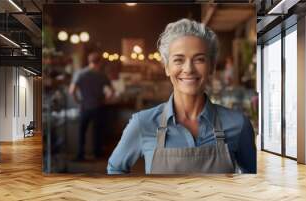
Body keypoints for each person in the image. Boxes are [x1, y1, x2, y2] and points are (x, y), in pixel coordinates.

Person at [107, 19, 256, 174]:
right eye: (178, 60)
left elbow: (253, 184)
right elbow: (115, 169)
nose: (188, 69)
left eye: (199, 59)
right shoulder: (143, 123)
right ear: (166, 67)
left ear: (211, 67)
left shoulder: (238, 125)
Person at [69, 51, 114, 161]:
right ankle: (97, 153)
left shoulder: (80, 73)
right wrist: (105, 100)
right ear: (100, 62)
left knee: (82, 132)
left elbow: (72, 91)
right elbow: (111, 91)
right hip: (98, 106)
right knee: (98, 132)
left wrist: (78, 101)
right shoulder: (102, 75)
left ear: (89, 61)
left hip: (84, 106)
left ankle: (81, 154)